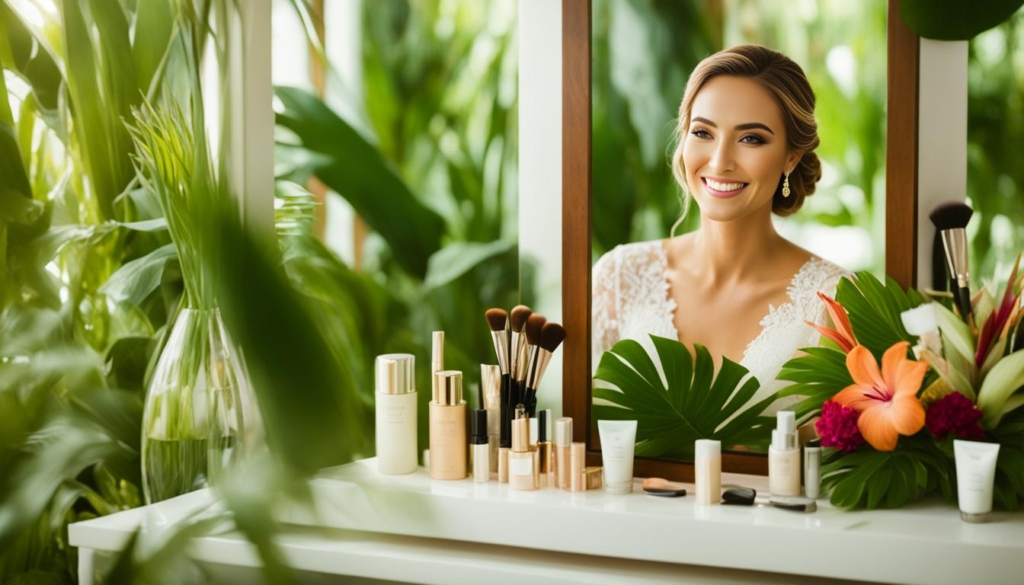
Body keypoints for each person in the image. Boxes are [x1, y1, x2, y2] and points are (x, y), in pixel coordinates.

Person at [592, 44, 848, 411]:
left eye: (751, 139)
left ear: (791, 156)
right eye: (702, 133)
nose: (719, 160)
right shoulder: (618, 279)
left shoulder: (833, 302)